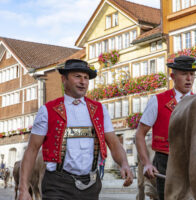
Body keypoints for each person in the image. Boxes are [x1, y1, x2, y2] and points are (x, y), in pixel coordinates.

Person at [18, 59, 133, 200]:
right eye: (77, 76)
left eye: (86, 78)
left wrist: (124, 163)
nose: (83, 81)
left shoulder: (99, 110)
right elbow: (32, 149)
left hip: (91, 184)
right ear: (63, 79)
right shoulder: (47, 110)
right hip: (57, 185)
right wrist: (23, 189)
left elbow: (114, 143)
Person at [135, 55, 196, 200]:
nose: (189, 79)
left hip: (193, 161)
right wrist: (146, 163)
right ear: (173, 76)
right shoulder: (157, 101)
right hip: (165, 161)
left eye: (192, 74)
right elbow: (140, 134)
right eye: (184, 74)